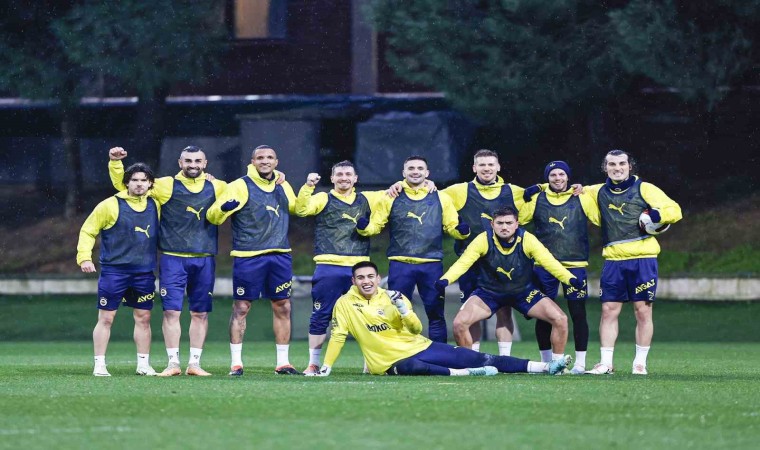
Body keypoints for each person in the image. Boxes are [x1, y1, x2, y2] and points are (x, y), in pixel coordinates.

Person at [309, 261, 570, 377]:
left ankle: (544, 367)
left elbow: (415, 329)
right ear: (353, 281)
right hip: (388, 361)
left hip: (420, 346)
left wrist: (403, 310)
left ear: (378, 279)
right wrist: (327, 366)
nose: (366, 281)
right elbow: (339, 335)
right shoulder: (344, 303)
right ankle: (464, 374)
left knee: (480, 357)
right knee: (412, 368)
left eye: (370, 277)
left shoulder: (394, 296)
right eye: (360, 278)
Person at [108, 146, 227, 377]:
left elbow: (243, 194)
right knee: (171, 312)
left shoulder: (218, 186)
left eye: (198, 161)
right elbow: (127, 186)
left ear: (205, 163)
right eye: (188, 161)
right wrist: (115, 163)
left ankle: (194, 364)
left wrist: (277, 178)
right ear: (180, 163)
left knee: (200, 313)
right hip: (173, 258)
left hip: (204, 258)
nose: (193, 165)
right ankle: (173, 364)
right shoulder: (165, 185)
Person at [436, 206, 585, 366]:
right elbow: (463, 263)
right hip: (489, 293)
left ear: (517, 224)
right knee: (459, 324)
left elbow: (549, 262)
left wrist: (570, 279)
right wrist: (446, 280)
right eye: (500, 223)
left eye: (509, 223)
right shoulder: (482, 239)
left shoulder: (527, 239)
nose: (504, 227)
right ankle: (470, 365)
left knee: (560, 319)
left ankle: (557, 365)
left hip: (523, 292)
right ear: (492, 224)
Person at [582, 149, 682, 375]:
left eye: (621, 163)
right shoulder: (597, 191)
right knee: (608, 311)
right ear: (605, 168)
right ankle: (606, 363)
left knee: (643, 311)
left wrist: (658, 216)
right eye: (612, 164)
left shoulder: (644, 188)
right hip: (613, 260)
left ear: (630, 166)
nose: (617, 168)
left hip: (643, 259)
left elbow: (674, 210)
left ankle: (640, 363)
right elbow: (574, 191)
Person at [207, 145, 299, 376]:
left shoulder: (283, 184)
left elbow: (297, 208)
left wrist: (306, 188)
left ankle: (283, 363)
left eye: (269, 157)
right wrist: (224, 209)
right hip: (249, 255)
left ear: (276, 162)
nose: (265, 161)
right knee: (241, 307)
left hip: (280, 254)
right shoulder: (239, 185)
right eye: (260, 157)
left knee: (283, 306)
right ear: (253, 161)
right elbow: (213, 216)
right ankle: (236, 364)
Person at [357, 156, 470, 343]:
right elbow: (376, 226)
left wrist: (462, 232)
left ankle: (439, 355)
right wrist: (364, 228)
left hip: (431, 264)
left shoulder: (441, 197)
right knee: (397, 314)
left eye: (419, 168)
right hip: (400, 264)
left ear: (427, 173)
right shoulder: (391, 196)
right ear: (404, 173)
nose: (415, 171)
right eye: (411, 168)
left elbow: (451, 226)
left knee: (435, 314)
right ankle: (400, 354)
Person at [294, 161, 386, 374]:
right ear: (332, 178)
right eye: (340, 174)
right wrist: (308, 186)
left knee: (370, 316)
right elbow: (301, 209)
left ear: (355, 178)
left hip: (359, 268)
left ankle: (371, 363)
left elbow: (394, 193)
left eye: (348, 174)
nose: (344, 178)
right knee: (321, 315)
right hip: (329, 267)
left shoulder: (368, 198)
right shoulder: (323, 198)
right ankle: (313, 363)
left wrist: (410, 185)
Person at [439, 149, 526, 356]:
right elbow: (430, 194)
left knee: (504, 310)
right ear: (474, 168)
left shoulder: (513, 191)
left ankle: (505, 359)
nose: (486, 168)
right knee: (470, 314)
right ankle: (474, 358)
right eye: (482, 165)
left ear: (498, 167)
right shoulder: (459, 190)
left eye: (490, 164)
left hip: (502, 263)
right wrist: (402, 186)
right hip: (471, 264)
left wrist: (575, 189)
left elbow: (547, 193)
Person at [76, 162, 159, 377]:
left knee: (143, 318)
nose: (139, 184)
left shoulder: (156, 204)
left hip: (144, 272)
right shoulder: (109, 205)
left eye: (143, 180)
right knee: (106, 318)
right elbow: (88, 230)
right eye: (134, 180)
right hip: (114, 272)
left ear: (150, 184)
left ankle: (143, 365)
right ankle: (99, 365)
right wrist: (84, 258)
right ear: (126, 183)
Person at [519, 161, 600, 374]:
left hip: (575, 265)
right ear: (547, 178)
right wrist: (526, 196)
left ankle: (580, 364)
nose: (557, 178)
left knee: (578, 313)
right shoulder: (537, 198)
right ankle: (547, 363)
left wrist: (587, 190)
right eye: (553, 175)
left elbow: (599, 219)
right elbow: (518, 220)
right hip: (544, 266)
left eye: (561, 174)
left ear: (568, 177)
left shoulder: (580, 196)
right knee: (545, 314)